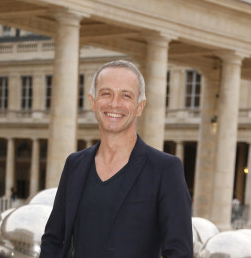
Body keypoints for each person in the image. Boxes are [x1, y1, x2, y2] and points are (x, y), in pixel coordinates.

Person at [40, 60, 193, 258]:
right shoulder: (75, 164)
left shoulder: (165, 169)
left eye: (126, 95)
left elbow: (179, 252)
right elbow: (53, 238)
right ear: (93, 101)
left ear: (140, 107)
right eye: (106, 93)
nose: (114, 103)